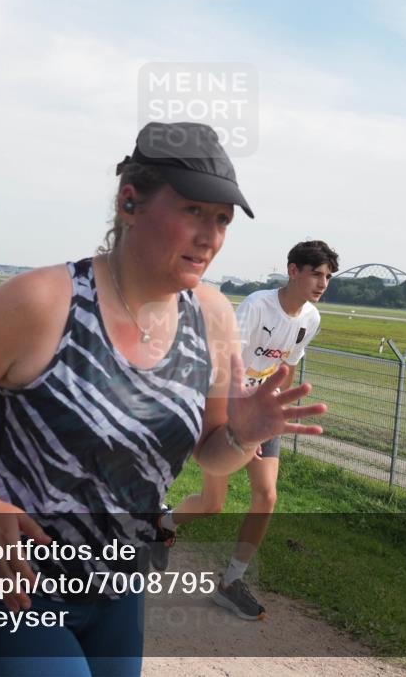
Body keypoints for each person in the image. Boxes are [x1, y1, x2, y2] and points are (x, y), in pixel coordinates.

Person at [0, 122, 327, 677]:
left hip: (121, 585)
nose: (210, 236)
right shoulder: (45, 302)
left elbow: (211, 454)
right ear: (130, 202)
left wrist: (243, 433)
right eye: (193, 210)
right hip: (13, 581)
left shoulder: (213, 317)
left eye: (221, 220)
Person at [160, 240, 338, 620]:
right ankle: (161, 525)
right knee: (212, 505)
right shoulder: (258, 305)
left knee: (267, 496)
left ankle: (231, 582)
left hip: (261, 409)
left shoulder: (311, 319)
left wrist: (262, 421)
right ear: (293, 270)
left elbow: (284, 369)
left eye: (328, 277)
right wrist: (239, 431)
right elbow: (226, 363)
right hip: (226, 402)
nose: (323, 283)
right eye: (316, 274)